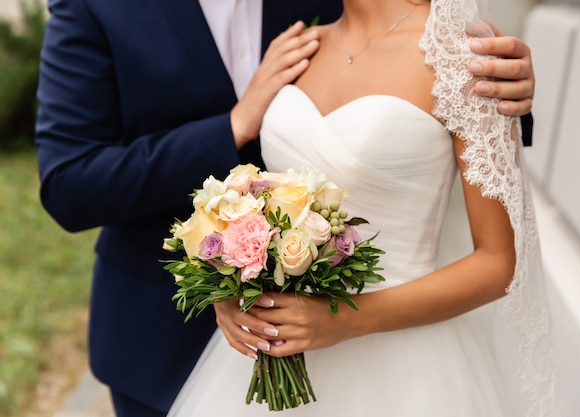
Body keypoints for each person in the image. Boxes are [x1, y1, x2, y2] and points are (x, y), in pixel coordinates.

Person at [34, 1, 537, 416]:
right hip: (177, 342)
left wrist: (509, 97)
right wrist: (231, 129)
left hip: (399, 363)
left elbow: (442, 132)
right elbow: (69, 184)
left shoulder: (451, 49)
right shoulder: (96, 7)